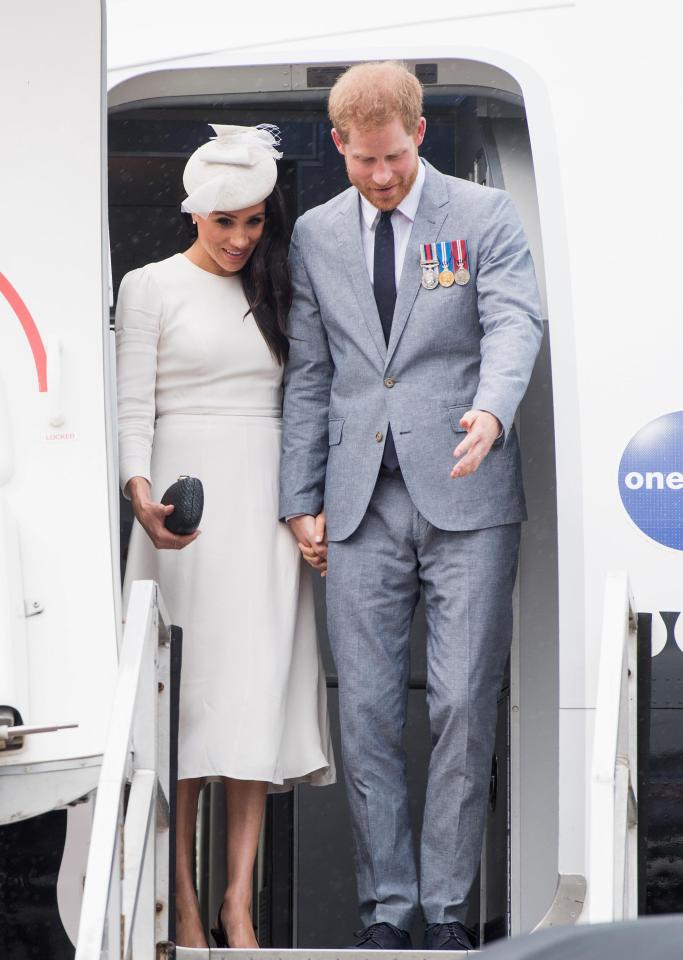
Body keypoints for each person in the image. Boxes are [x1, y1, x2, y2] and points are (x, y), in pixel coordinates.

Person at [280, 62, 542, 951]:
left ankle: (444, 917)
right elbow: (311, 374)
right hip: (357, 502)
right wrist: (298, 499)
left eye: (392, 157)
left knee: (463, 704)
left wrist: (494, 408)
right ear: (338, 146)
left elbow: (514, 322)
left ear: (418, 135)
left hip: (468, 490)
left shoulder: (481, 218)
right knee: (365, 713)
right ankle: (386, 911)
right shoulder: (314, 236)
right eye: (363, 162)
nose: (382, 176)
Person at [116, 124, 334, 950]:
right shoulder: (149, 286)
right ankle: (181, 905)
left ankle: (236, 908)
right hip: (184, 511)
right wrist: (143, 500)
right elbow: (132, 405)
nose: (242, 238)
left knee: (250, 701)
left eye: (254, 221)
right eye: (224, 223)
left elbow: (310, 399)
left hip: (267, 505)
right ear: (193, 216)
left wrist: (304, 506)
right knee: (180, 711)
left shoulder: (279, 284)